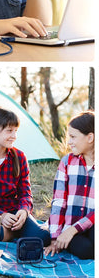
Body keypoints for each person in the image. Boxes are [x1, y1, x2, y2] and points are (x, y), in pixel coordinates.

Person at [0, 106, 50, 244]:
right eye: (9, 131)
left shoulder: (19, 156)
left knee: (43, 238)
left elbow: (25, 192)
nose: (14, 136)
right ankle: (8, 232)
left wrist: (24, 211)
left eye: (16, 131)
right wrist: (1, 215)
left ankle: (9, 232)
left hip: (14, 211)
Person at [45, 111, 94, 259]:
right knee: (84, 250)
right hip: (71, 225)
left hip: (91, 225)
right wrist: (55, 237)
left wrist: (73, 230)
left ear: (90, 137)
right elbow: (59, 201)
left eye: (73, 137)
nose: (69, 142)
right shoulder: (67, 162)